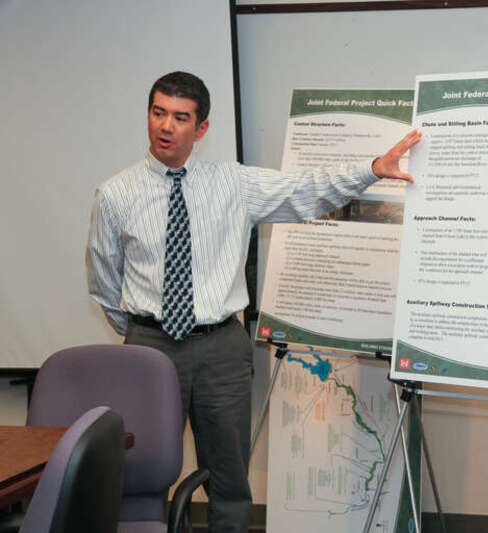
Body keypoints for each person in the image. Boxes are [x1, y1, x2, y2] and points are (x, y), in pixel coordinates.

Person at [86, 71, 421, 532]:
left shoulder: (233, 183)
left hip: (221, 348)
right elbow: (104, 280)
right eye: (158, 113)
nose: (166, 126)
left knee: (229, 477)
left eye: (180, 117)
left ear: (201, 128)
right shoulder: (115, 193)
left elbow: (307, 190)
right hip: (149, 347)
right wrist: (145, 328)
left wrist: (370, 170)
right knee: (142, 474)